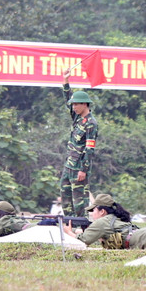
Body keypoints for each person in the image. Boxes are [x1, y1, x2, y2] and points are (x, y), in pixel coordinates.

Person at [57, 71, 99, 215]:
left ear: (85, 104)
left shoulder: (91, 124)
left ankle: (82, 227)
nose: (73, 107)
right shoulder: (77, 118)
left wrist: (83, 169)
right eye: (73, 105)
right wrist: (65, 80)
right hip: (69, 165)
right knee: (65, 197)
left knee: (80, 201)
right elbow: (68, 98)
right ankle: (70, 225)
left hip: (79, 168)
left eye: (76, 105)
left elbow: (89, 149)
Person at [61, 193, 146, 250]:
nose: (91, 214)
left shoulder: (102, 222)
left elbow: (83, 241)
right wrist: (75, 231)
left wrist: (68, 232)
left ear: (102, 211)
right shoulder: (112, 219)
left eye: (93, 210)